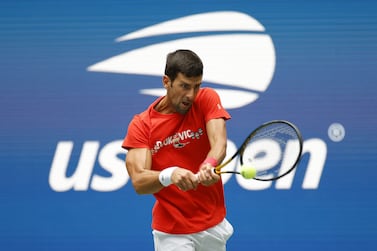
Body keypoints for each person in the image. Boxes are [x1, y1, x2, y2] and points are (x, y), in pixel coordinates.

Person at [122, 49, 233, 251]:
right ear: (166, 82)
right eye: (184, 86)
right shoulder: (142, 125)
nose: (190, 95)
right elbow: (139, 181)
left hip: (213, 223)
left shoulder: (206, 98)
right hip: (172, 232)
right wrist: (170, 175)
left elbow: (219, 143)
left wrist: (209, 164)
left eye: (196, 86)